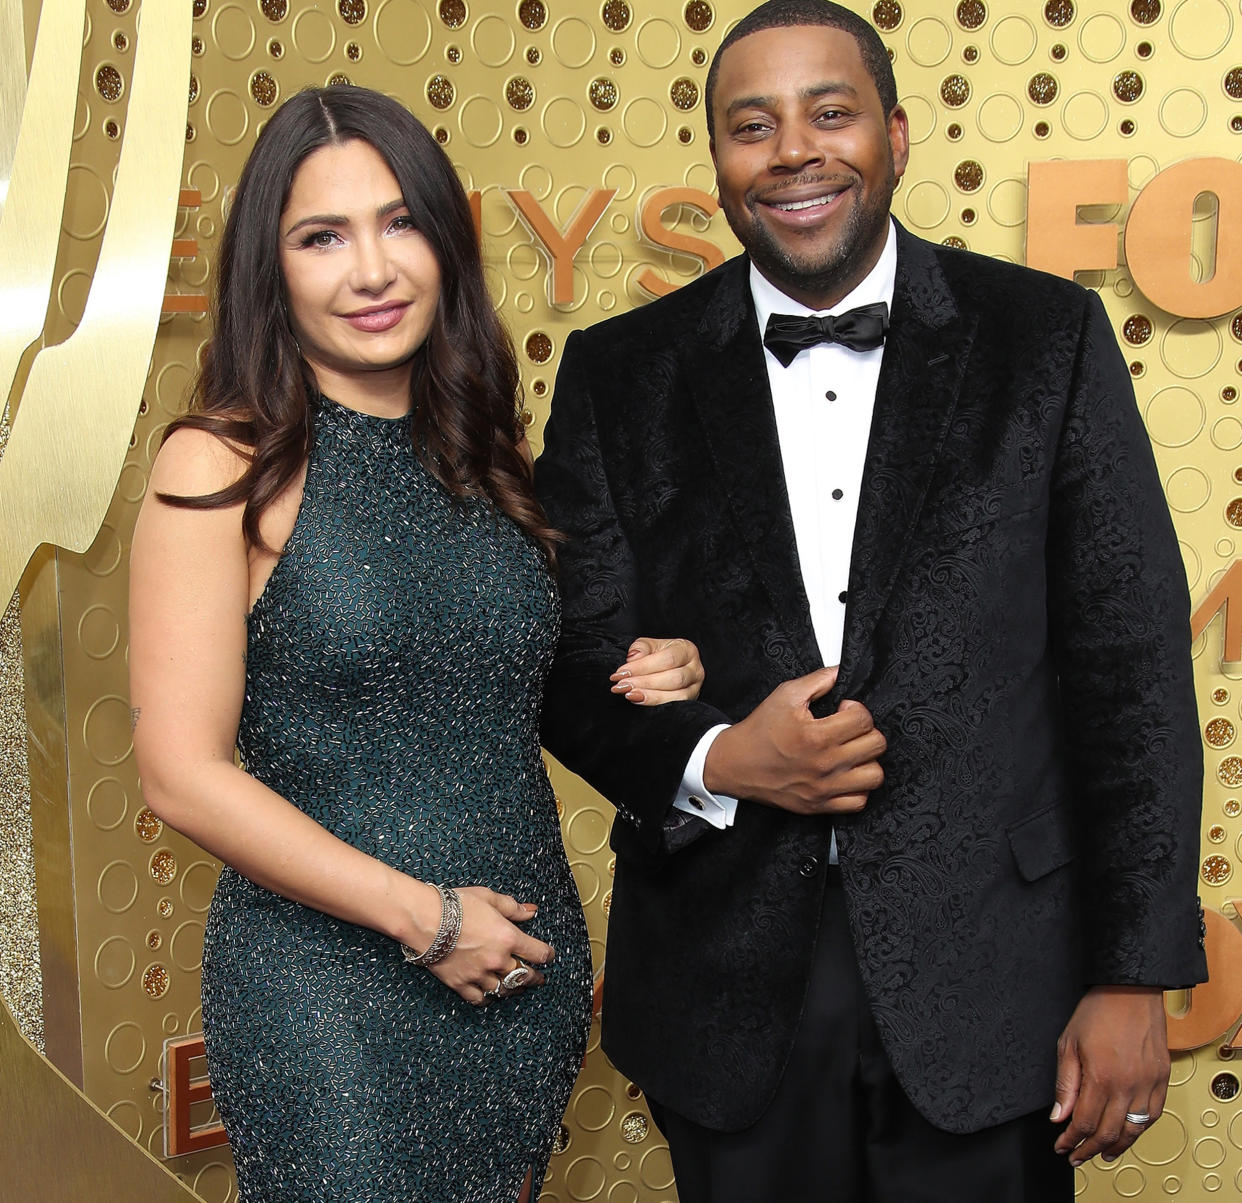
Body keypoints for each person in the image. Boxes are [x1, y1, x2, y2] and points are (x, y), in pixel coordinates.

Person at [534, 3, 1208, 1199]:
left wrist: (1131, 975)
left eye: (830, 112)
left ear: (895, 134)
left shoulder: (1045, 339)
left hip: (999, 978)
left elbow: (1131, 668)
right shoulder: (620, 373)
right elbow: (571, 663)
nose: (793, 150)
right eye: (753, 126)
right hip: (726, 983)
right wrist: (722, 757)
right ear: (720, 163)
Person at [128, 85, 704, 1203]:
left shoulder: (483, 458)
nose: (372, 271)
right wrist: (425, 919)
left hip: (520, 981)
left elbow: (497, 687)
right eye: (321, 237)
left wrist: (659, 667)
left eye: (400, 223)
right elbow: (180, 777)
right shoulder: (221, 465)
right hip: (327, 997)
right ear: (271, 269)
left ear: (445, 242)